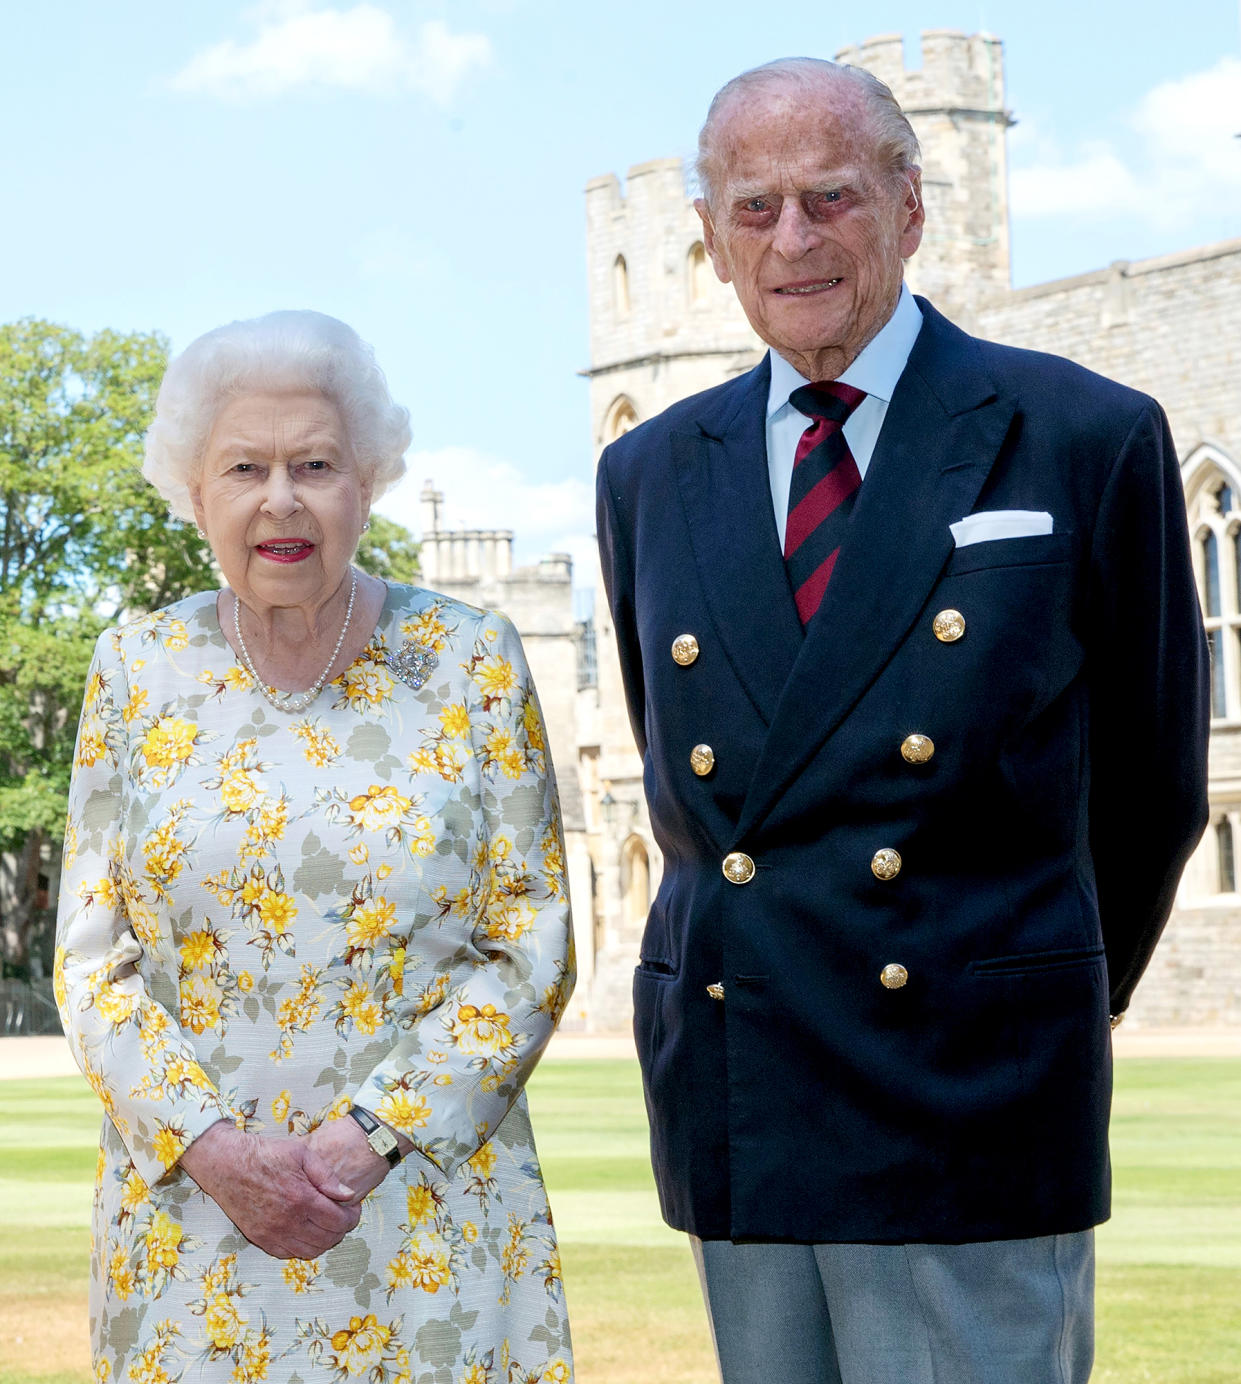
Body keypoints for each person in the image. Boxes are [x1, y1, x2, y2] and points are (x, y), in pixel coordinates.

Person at [595, 57, 1209, 1384]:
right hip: (744, 1085)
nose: (794, 239)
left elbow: (1155, 786)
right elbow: (689, 784)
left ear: (912, 208)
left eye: (831, 196)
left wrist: (1019, 998)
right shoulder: (645, 470)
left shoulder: (1082, 435)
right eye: (753, 209)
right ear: (706, 240)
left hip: (969, 1094)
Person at [55, 310, 575, 1383]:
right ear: (193, 492)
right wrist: (212, 1147)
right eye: (244, 466)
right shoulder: (133, 667)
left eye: (316, 463)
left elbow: (532, 939)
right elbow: (91, 958)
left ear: (369, 481)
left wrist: (367, 1139)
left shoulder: (471, 659)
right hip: (195, 1227)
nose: (280, 499)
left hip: (424, 1211)